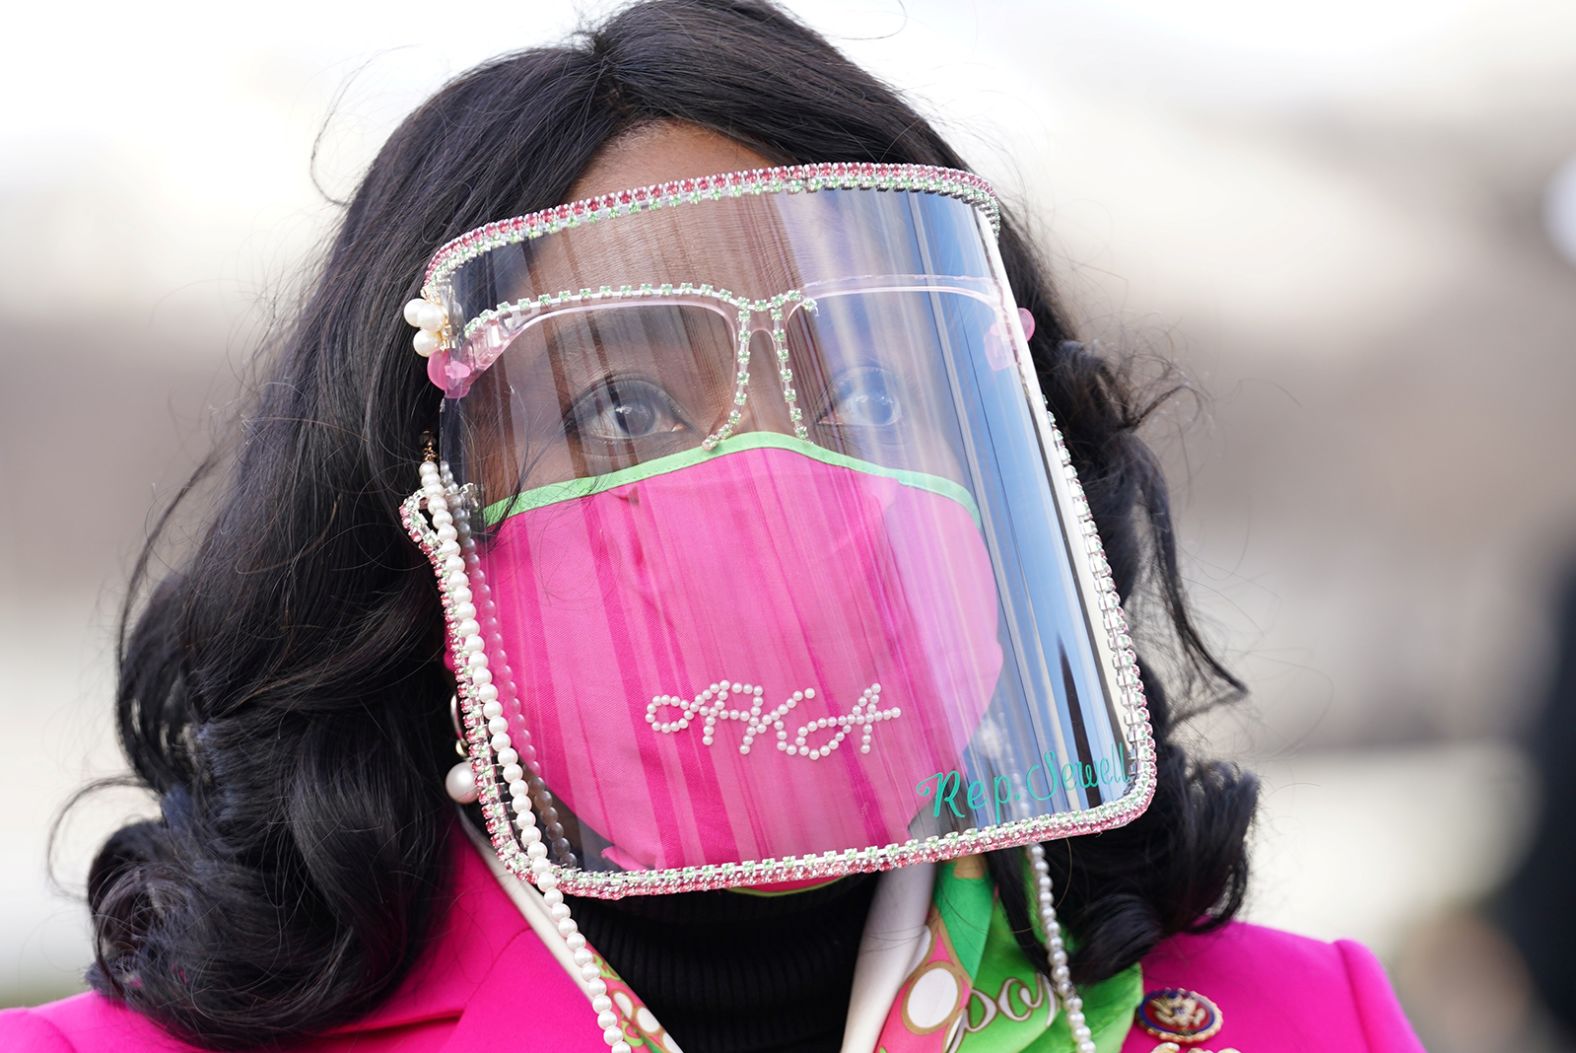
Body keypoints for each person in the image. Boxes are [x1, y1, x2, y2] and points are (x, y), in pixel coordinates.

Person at [0, 1, 1428, 1050]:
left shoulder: (1307, 1022)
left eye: (869, 388)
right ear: (418, 529)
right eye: (619, 405)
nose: (776, 489)